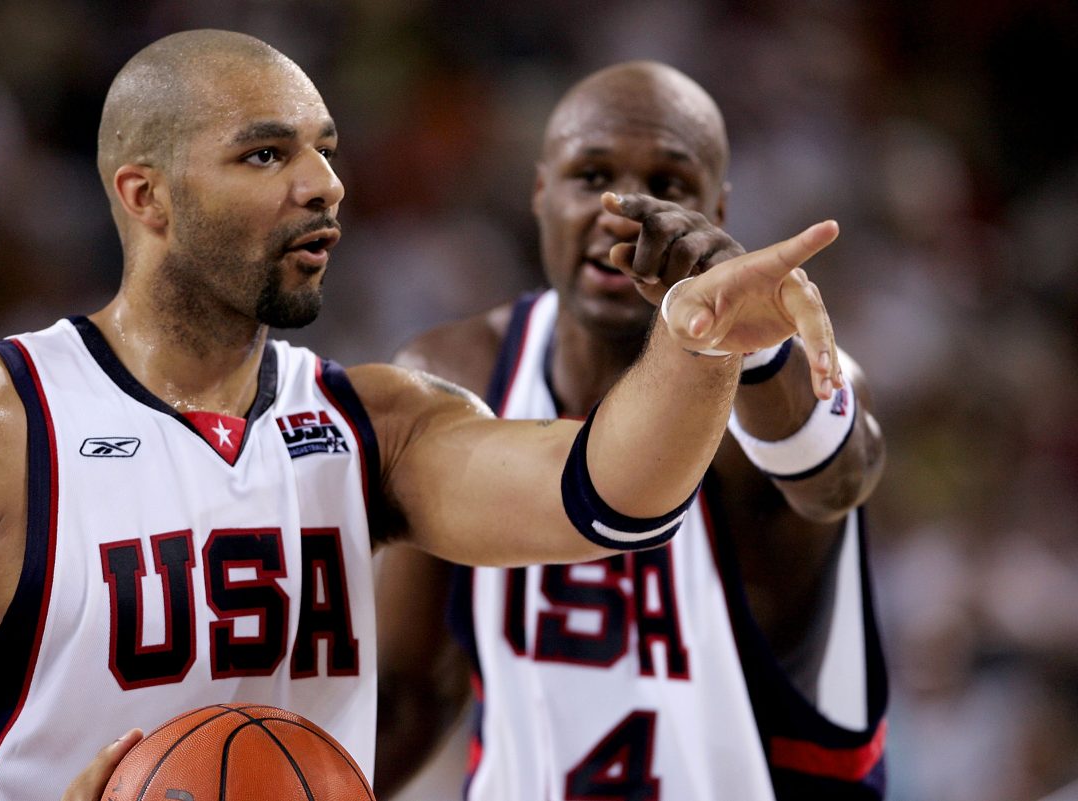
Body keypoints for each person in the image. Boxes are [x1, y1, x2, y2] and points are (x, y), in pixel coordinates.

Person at [0, 30, 843, 801]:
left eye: (326, 152)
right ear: (147, 196)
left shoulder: (372, 422)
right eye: (267, 152)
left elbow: (610, 495)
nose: (325, 184)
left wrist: (701, 344)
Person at [375, 62, 888, 800]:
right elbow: (408, 696)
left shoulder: (788, 377)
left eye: (670, 185)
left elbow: (836, 479)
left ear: (720, 208)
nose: (626, 212)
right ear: (540, 192)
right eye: (591, 175)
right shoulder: (455, 374)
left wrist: (759, 348)